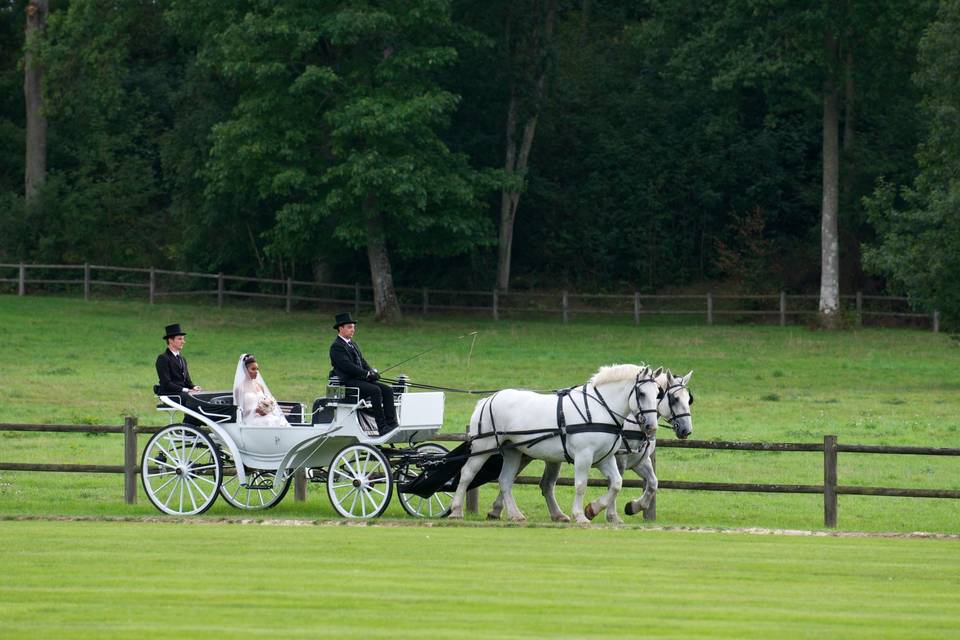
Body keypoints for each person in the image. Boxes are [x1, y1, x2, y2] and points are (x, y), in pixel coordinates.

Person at [329, 312, 399, 435]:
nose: (353, 330)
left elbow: (362, 361)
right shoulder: (336, 347)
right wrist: (366, 374)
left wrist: (371, 372)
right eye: (350, 327)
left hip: (359, 380)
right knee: (375, 390)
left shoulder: (352, 344)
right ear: (341, 328)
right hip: (348, 382)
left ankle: (392, 424)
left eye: (353, 327)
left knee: (387, 390)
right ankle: (381, 427)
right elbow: (348, 367)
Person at [233, 353, 287, 427]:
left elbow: (264, 401)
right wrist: (256, 410)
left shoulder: (259, 386)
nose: (256, 372)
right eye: (253, 369)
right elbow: (240, 411)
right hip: (249, 419)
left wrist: (267, 408)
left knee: (277, 420)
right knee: (268, 422)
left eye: (257, 369)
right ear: (245, 370)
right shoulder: (240, 389)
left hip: (264, 416)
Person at [156, 323, 202, 395]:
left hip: (182, 393)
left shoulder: (182, 359)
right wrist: (186, 390)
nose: (183, 342)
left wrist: (194, 387)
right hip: (171, 395)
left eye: (183, 339)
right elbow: (166, 383)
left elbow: (187, 381)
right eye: (180, 339)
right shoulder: (163, 358)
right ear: (171, 340)